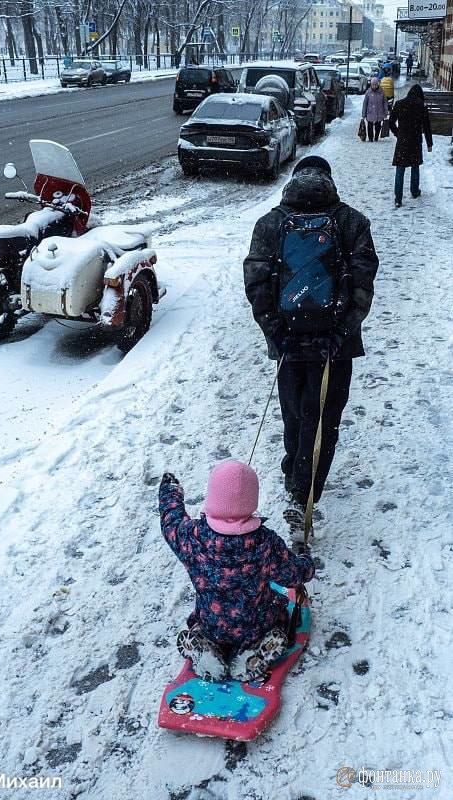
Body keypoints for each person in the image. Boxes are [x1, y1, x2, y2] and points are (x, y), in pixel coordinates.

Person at [243, 156, 379, 541]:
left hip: (290, 343)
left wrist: (275, 332)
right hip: (335, 345)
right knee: (324, 420)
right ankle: (305, 494)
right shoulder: (352, 222)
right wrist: (342, 332)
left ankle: (295, 480)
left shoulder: (270, 224)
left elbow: (256, 283)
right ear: (329, 182)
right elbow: (363, 286)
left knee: (295, 415)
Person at [159, 461, 315, 682]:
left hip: (211, 623)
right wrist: (305, 560)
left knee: (204, 625)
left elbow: (170, 521)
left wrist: (170, 492)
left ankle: (205, 645)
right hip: (256, 625)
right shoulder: (265, 543)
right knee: (279, 618)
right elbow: (294, 575)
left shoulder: (190, 536)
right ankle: (255, 650)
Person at [389, 83, 432, 208]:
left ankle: (398, 198)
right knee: (415, 166)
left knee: (400, 169)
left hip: (403, 141)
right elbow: (427, 127)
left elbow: (391, 122)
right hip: (415, 141)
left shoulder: (399, 104)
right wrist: (429, 143)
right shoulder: (421, 106)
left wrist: (398, 134)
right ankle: (414, 191)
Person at [362, 77, 389, 142]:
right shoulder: (368, 92)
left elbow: (385, 102)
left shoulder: (381, 92)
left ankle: (376, 137)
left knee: (378, 126)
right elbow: (365, 103)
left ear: (378, 84)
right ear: (371, 85)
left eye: (375, 84)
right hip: (370, 112)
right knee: (370, 126)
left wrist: (386, 112)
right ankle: (370, 138)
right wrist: (363, 114)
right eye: (373, 85)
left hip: (379, 112)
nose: (374, 86)